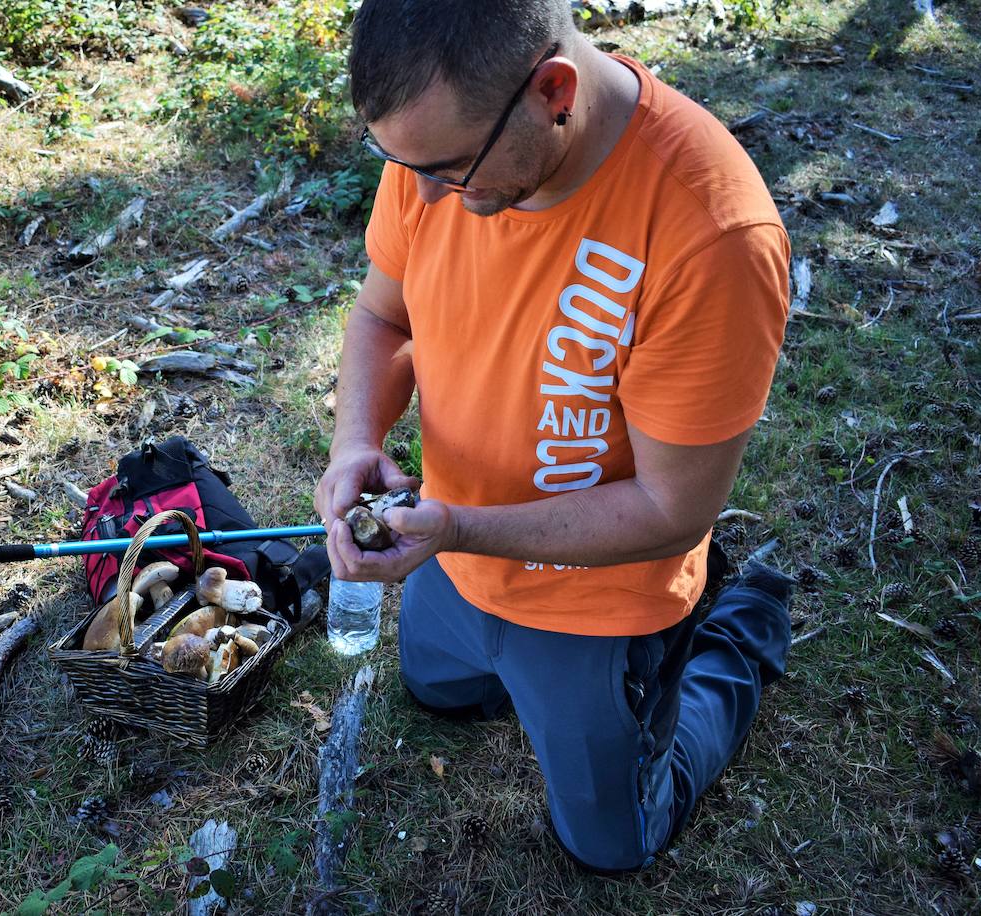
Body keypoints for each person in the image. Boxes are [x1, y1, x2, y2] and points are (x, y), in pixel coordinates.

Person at [312, 0, 795, 873]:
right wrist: (355, 442)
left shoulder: (713, 234)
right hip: (455, 558)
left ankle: (736, 633)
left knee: (614, 846)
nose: (423, 195)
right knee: (437, 691)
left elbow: (670, 509)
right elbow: (384, 318)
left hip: (598, 599)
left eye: (448, 169)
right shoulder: (439, 143)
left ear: (554, 91)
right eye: (401, 163)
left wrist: (459, 527)